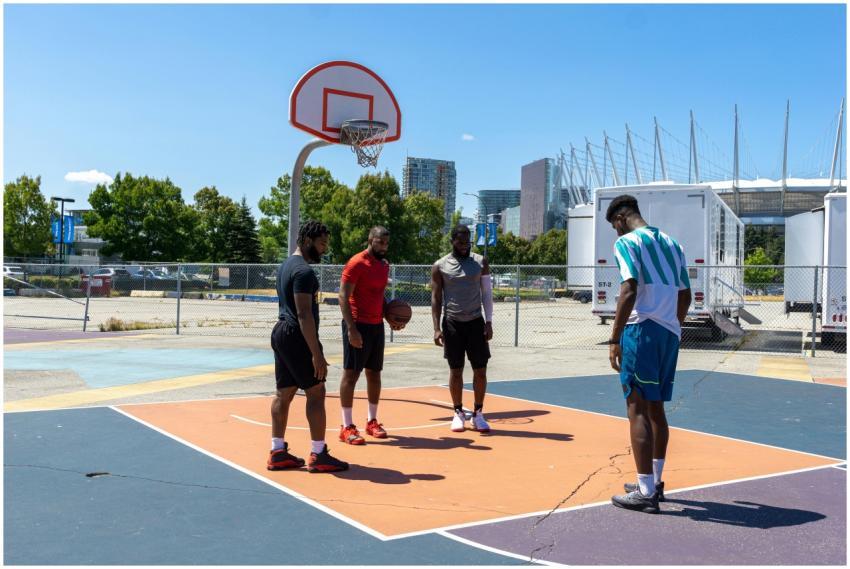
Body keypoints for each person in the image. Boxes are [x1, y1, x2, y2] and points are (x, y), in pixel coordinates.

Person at [605, 195, 692, 513]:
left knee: (636, 409)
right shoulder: (673, 243)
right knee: (656, 409)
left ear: (620, 219)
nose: (615, 232)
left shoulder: (627, 242)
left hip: (641, 330)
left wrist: (614, 338)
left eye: (614, 226)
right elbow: (686, 294)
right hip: (668, 333)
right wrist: (674, 325)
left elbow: (629, 288)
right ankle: (654, 482)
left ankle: (644, 492)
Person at [267, 220, 348, 474]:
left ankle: (277, 451)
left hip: (281, 332)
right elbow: (304, 315)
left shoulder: (285, 266)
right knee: (316, 391)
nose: (324, 249)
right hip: (295, 335)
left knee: (285, 393)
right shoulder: (303, 271)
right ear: (307, 240)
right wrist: (317, 355)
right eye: (322, 243)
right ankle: (318, 452)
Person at [337, 226, 405, 445]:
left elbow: (379, 296)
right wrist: (351, 328)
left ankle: (371, 421)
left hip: (376, 326)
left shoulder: (384, 266)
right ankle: (346, 426)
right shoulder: (356, 262)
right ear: (370, 240)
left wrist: (389, 317)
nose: (384, 246)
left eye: (386, 243)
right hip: (357, 324)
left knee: (374, 374)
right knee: (351, 375)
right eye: (380, 242)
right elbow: (343, 296)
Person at [431, 224, 494, 433]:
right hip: (452, 324)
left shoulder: (480, 262)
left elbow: (486, 293)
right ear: (452, 241)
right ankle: (458, 412)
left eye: (467, 242)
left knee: (480, 370)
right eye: (460, 242)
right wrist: (436, 328)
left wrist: (489, 321)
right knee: (455, 370)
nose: (464, 246)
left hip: (476, 322)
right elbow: (436, 298)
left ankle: (478, 413)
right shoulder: (440, 265)